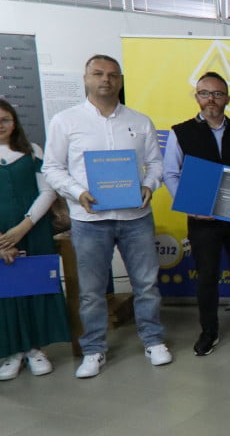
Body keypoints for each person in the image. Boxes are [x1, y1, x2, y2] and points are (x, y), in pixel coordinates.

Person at [42, 55, 170, 378]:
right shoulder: (65, 121)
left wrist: (149, 185)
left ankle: (153, 340)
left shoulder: (140, 121)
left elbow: (156, 164)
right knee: (91, 290)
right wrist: (77, 192)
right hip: (89, 221)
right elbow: (52, 167)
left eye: (112, 75)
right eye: (98, 73)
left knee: (146, 284)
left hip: (135, 216)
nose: (106, 80)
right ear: (85, 78)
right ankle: (94, 349)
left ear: (120, 81)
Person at [163, 71, 230, 356]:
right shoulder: (180, 132)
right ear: (197, 97)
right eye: (205, 93)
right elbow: (170, 174)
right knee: (206, 276)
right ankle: (209, 331)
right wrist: (191, 206)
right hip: (202, 220)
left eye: (218, 94)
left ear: (227, 99)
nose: (211, 99)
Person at [0, 100, 70, 380]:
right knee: (6, 291)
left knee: (35, 286)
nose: (1, 125)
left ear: (14, 121)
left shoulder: (32, 151)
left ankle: (35, 349)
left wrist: (24, 227)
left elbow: (48, 191)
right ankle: (12, 351)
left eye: (5, 119)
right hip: (1, 237)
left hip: (33, 230)